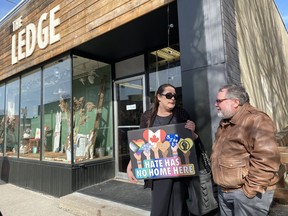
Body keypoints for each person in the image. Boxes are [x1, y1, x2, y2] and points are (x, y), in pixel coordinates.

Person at [126, 83, 199, 216]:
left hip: (179, 169)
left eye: (174, 96)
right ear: (159, 97)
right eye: (168, 95)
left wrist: (193, 132)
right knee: (159, 208)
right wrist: (132, 164)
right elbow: (141, 142)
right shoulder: (147, 116)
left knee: (179, 209)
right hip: (158, 171)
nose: (172, 99)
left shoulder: (181, 114)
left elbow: (191, 140)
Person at [210, 84, 281, 216]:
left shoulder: (256, 119)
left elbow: (267, 159)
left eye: (219, 101)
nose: (215, 104)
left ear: (236, 102)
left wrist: (248, 192)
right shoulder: (226, 121)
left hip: (246, 194)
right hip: (226, 191)